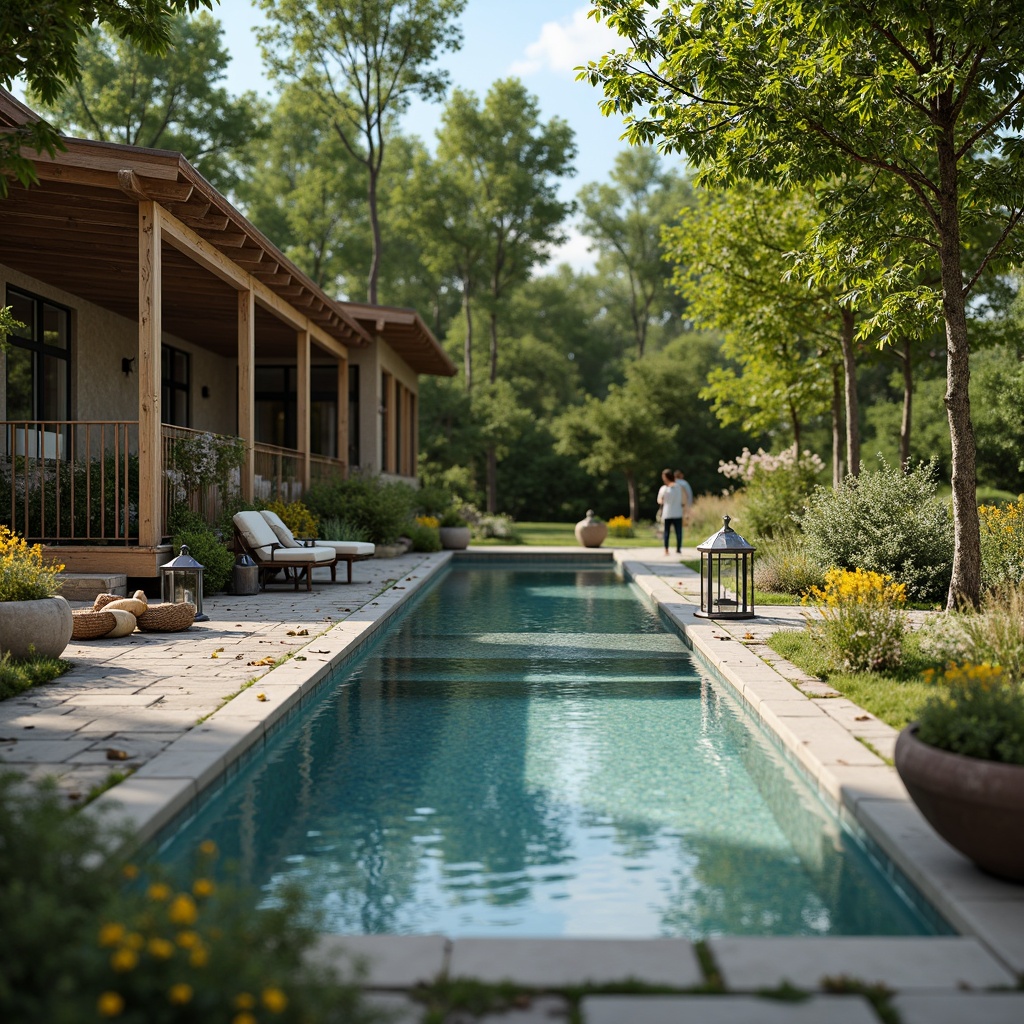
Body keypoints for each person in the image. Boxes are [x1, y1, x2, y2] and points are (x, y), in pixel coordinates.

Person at [657, 468, 683, 555]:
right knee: (678, 532)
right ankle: (678, 549)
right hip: (677, 512)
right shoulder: (678, 487)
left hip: (668, 512)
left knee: (667, 532)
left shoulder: (664, 489)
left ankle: (666, 549)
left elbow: (660, 501)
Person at [674, 469, 694, 541]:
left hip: (674, 507)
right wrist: (689, 506)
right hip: (684, 506)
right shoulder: (684, 483)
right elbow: (689, 496)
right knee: (684, 523)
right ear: (681, 475)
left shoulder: (673, 483)